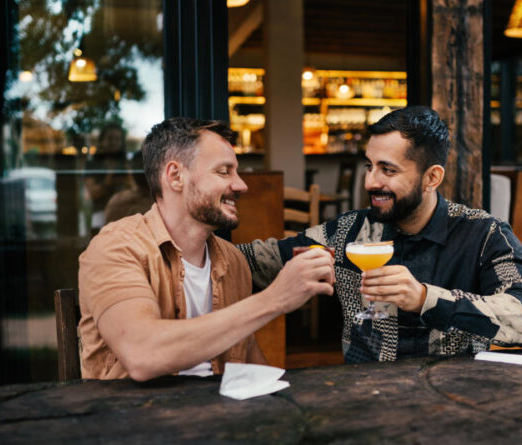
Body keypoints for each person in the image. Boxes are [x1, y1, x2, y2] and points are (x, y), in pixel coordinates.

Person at [239, 106, 522, 363]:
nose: (370, 182)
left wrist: (426, 298)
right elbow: (254, 262)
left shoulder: (482, 234)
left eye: (387, 170)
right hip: (363, 400)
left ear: (431, 177)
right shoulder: (347, 232)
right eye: (369, 166)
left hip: (452, 400)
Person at [78, 117, 335, 380]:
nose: (241, 185)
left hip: (214, 415)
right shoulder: (116, 248)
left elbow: (254, 369)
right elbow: (143, 354)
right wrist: (276, 298)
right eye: (224, 172)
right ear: (175, 176)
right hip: (134, 416)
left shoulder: (232, 261)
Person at [84, 123, 134, 232]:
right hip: (100, 214)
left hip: (125, 214)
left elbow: (136, 190)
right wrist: (108, 181)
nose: (114, 142)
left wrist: (128, 178)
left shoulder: (127, 164)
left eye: (117, 139)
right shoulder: (93, 164)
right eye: (110, 138)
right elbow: (92, 193)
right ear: (102, 141)